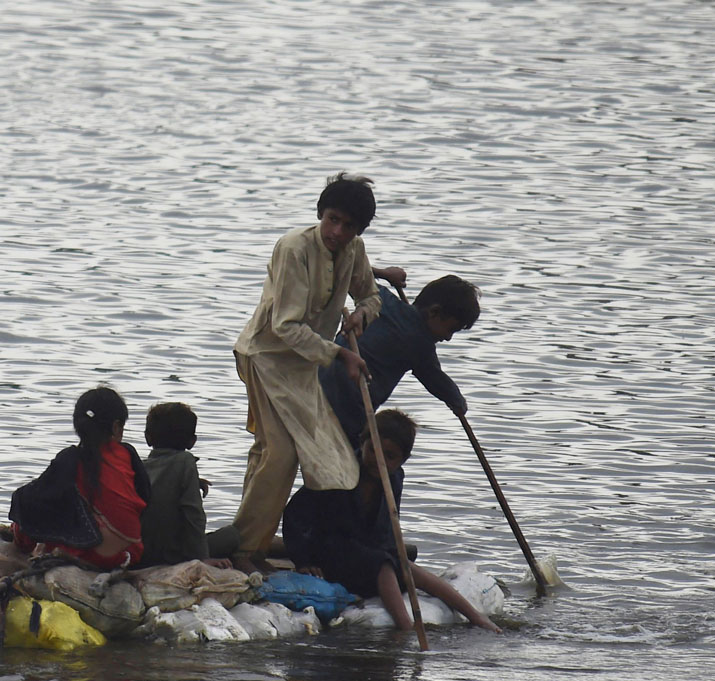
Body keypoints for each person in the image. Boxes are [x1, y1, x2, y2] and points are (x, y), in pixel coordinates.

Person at [226, 172, 385, 572]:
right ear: (320, 214)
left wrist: (362, 315)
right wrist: (339, 354)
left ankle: (249, 541)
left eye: (348, 226)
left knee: (272, 452)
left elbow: (370, 294)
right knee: (280, 455)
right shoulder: (293, 248)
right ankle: (246, 551)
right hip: (266, 356)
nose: (337, 232)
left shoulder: (353, 250)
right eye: (333, 220)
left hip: (303, 366)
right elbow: (285, 326)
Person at [281, 409, 501, 633]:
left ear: (402, 459)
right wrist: (304, 560)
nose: (380, 461)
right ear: (362, 443)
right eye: (373, 450)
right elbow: (294, 515)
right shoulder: (339, 472)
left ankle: (477, 617)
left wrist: (393, 556)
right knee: (384, 564)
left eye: (390, 456)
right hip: (332, 554)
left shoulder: (394, 479)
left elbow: (386, 528)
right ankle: (407, 629)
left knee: (406, 566)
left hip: (366, 556)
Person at [321, 275, 481, 447]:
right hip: (349, 406)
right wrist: (457, 401)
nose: (448, 338)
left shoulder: (381, 298)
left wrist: (383, 274)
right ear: (434, 312)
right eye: (451, 329)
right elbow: (435, 379)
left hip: (318, 378)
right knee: (351, 450)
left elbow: (353, 271)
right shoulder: (420, 345)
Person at [8, 387, 149, 570]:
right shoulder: (128, 454)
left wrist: (21, 530)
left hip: (97, 554)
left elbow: (37, 499)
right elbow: (144, 495)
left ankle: (23, 540)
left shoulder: (71, 459)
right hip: (132, 552)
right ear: (115, 427)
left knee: (29, 499)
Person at [137, 402, 239, 567]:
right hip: (174, 556)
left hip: (142, 553)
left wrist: (194, 482)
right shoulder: (185, 462)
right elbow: (193, 514)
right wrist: (202, 558)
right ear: (192, 441)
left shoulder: (139, 466)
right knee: (232, 535)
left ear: (147, 437)